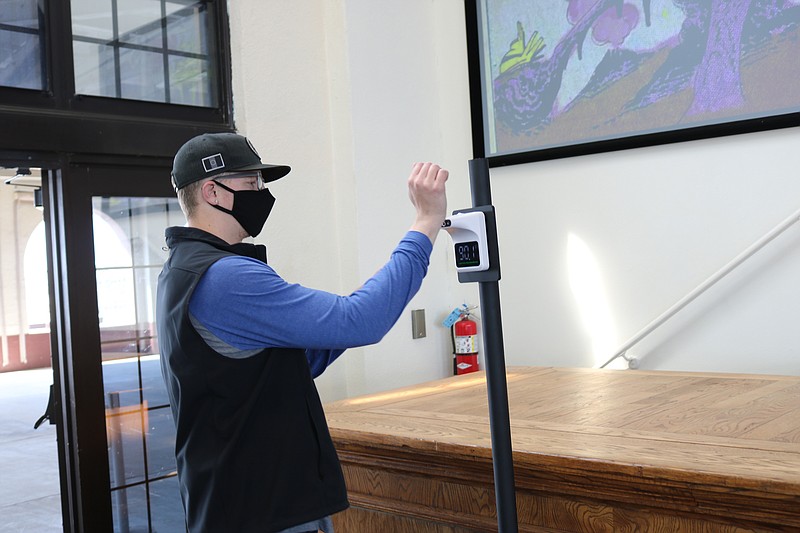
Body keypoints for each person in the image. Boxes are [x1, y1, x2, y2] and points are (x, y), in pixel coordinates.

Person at [156, 132, 448, 533]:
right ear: (212, 191)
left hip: (243, 504)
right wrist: (426, 223)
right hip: (264, 511)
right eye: (251, 183)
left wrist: (333, 328)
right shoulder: (225, 277)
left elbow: (280, 365)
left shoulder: (183, 269)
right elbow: (361, 321)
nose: (262, 193)